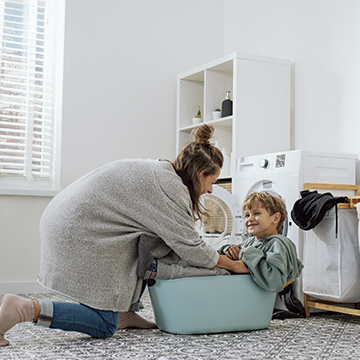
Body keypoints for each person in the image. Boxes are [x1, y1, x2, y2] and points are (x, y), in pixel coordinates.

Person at [0, 124, 246, 347]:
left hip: (68, 219)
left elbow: (165, 243)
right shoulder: (172, 190)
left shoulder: (162, 172)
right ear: (198, 173)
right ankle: (23, 309)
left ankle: (126, 312)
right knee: (105, 324)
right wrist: (233, 266)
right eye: (210, 181)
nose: (211, 189)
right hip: (77, 232)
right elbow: (191, 247)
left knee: (149, 244)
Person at [219, 191, 304, 292]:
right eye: (246, 215)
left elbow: (275, 281)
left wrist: (245, 253)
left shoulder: (277, 244)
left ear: (276, 218)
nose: (249, 219)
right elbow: (236, 251)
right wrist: (228, 249)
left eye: (256, 213)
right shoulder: (250, 242)